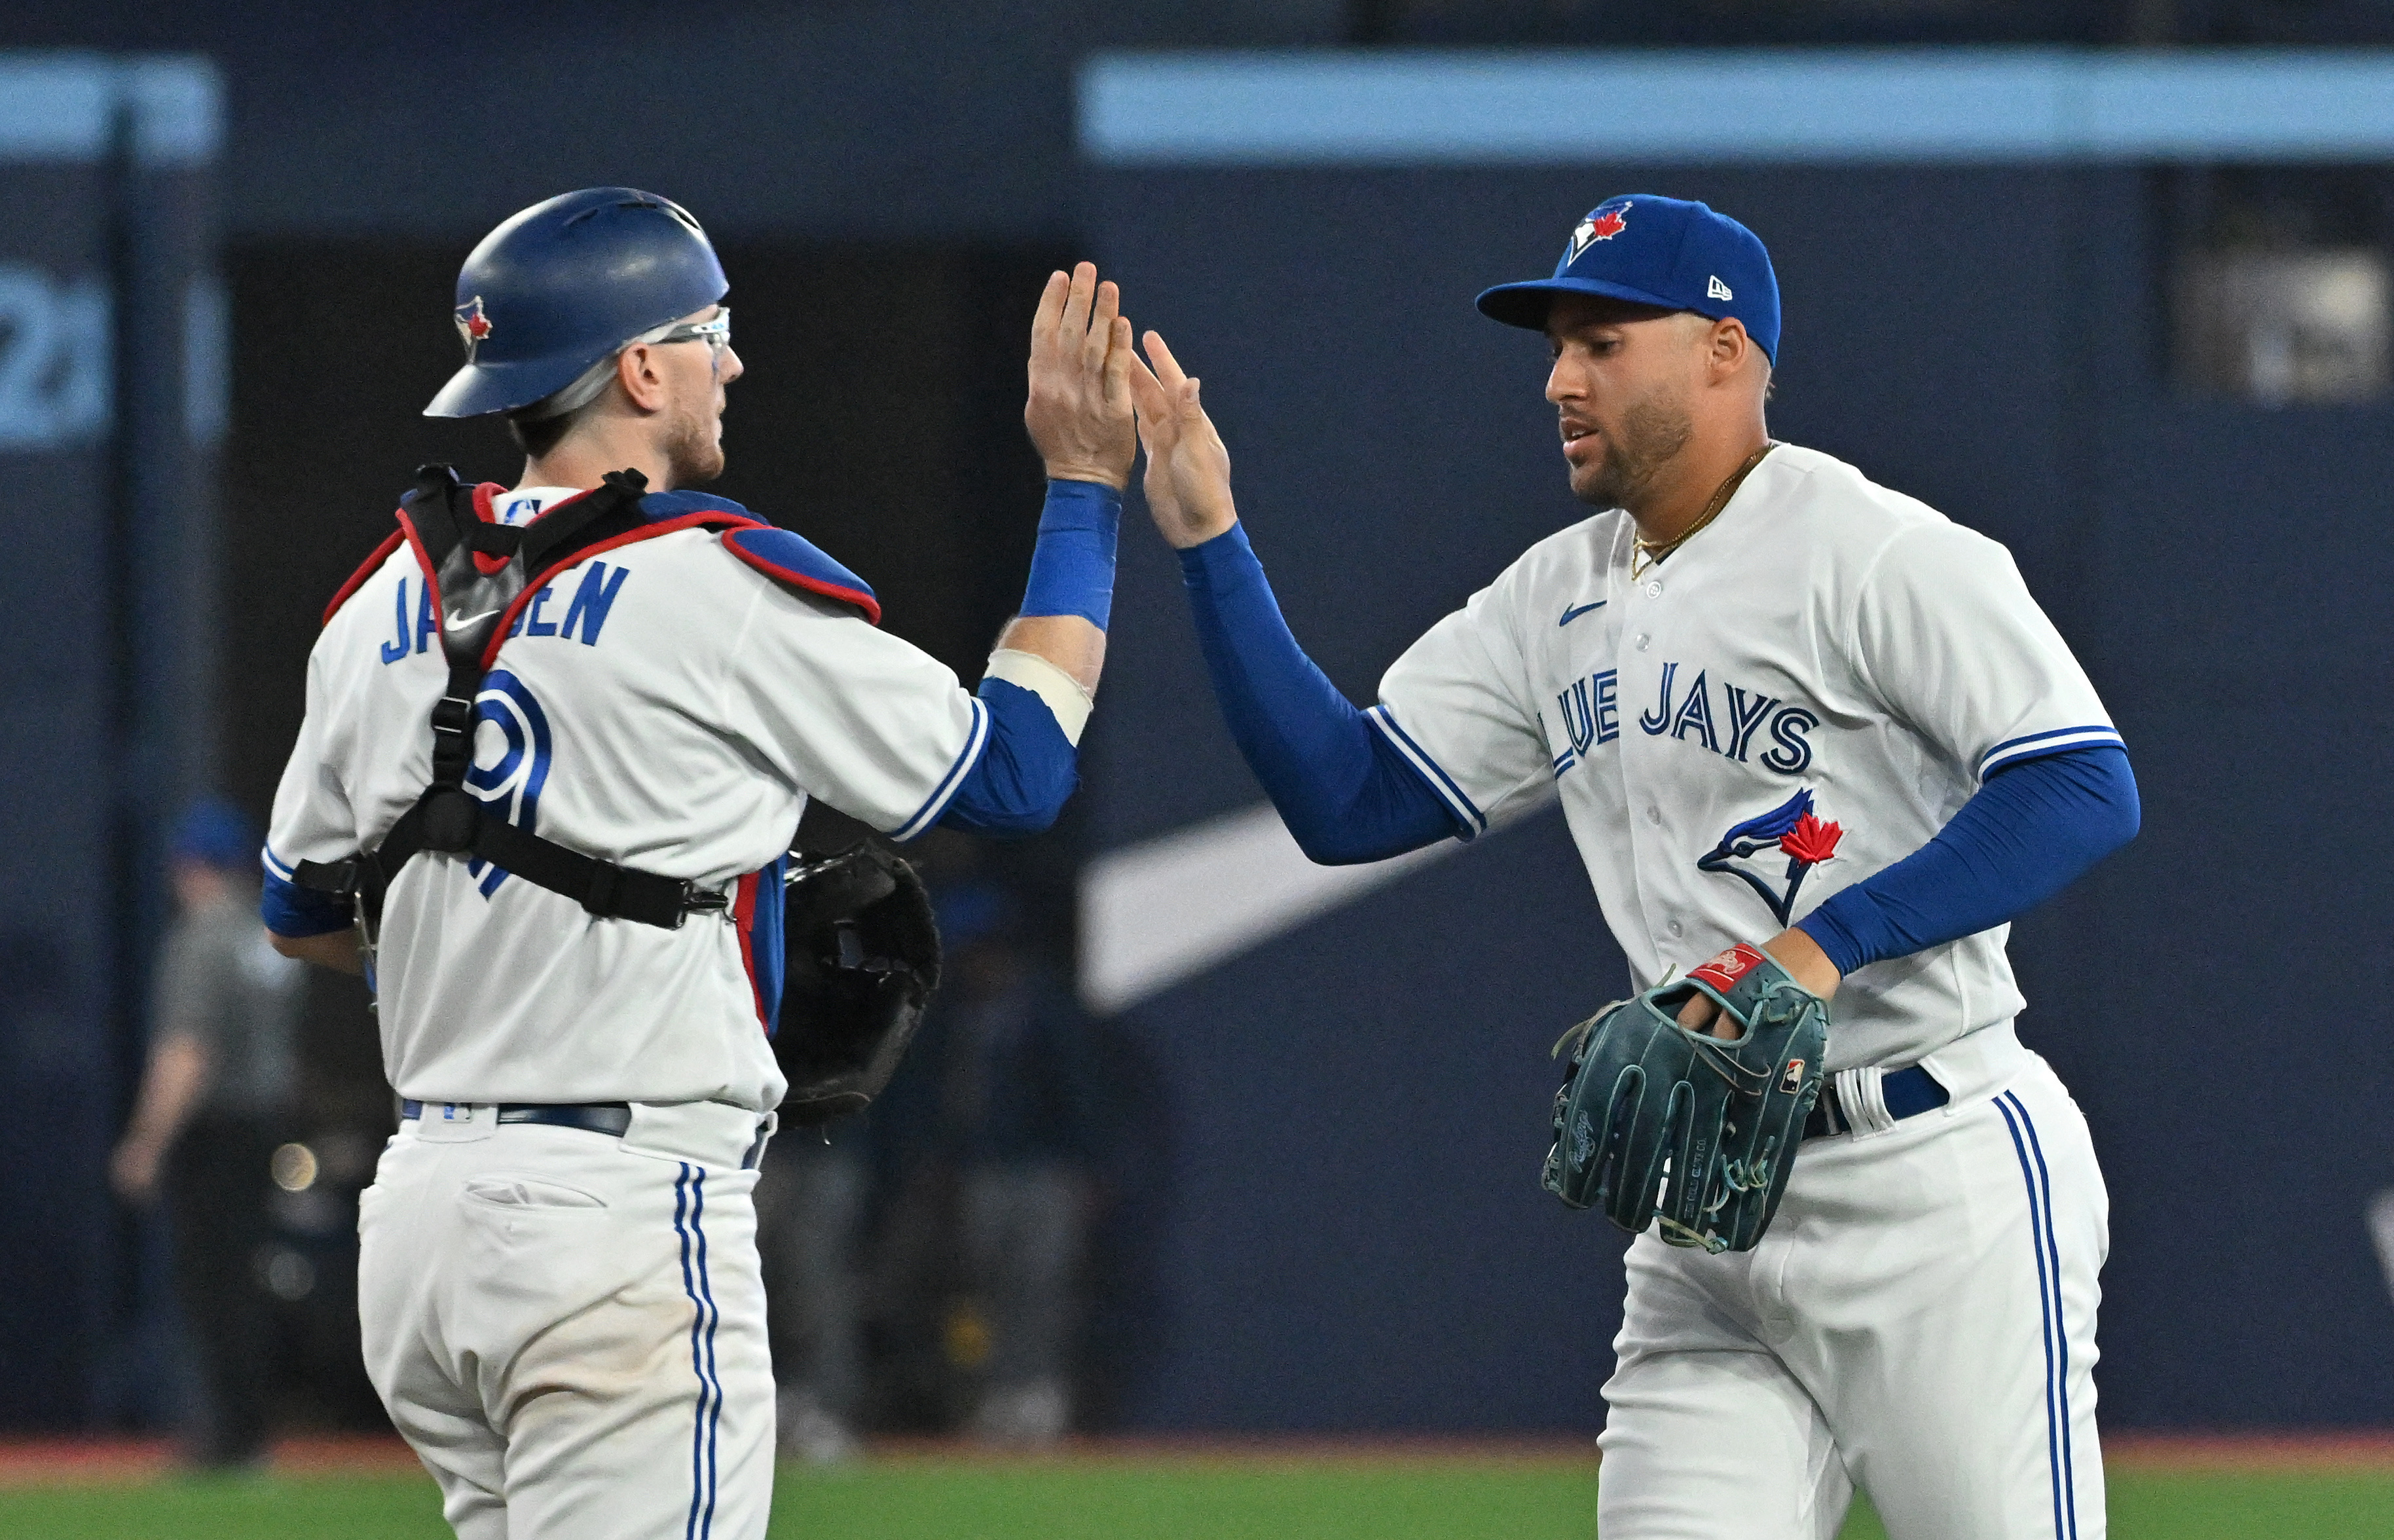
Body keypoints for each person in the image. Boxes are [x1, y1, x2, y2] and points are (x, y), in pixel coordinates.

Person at [1126, 194, 2139, 1538]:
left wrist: (1821, 945)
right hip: (1707, 1212)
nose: (1558, 378)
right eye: (1555, 345)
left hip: (1935, 1176)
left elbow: (2079, 782)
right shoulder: (1557, 598)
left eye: (1601, 341)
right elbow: (1349, 799)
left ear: (1724, 348)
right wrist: (1209, 537)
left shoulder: (1872, 551)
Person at [257, 187, 1138, 1539]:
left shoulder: (379, 598)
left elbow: (304, 913)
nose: (733, 361)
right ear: (639, 364)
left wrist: (506, 961)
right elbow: (1013, 773)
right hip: (615, 1218)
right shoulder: (707, 585)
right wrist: (1083, 489)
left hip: (421, 1227)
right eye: (711, 329)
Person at [112, 797, 308, 1469]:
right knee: (244, 1281)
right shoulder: (266, 937)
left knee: (211, 1286)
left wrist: (146, 1141)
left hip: (216, 1130)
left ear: (190, 867)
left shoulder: (201, 938)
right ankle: (250, 1432)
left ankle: (228, 1439)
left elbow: (187, 1053)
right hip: (265, 1125)